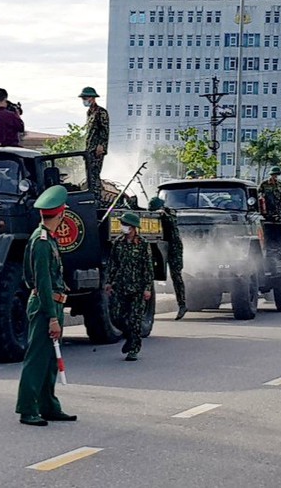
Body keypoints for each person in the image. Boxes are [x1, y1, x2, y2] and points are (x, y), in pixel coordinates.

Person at [15, 185, 77, 427]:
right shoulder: (41, 242)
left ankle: (49, 406)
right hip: (45, 306)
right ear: (61, 215)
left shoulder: (46, 238)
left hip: (52, 304)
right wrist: (51, 316)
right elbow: (41, 282)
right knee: (37, 358)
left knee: (51, 359)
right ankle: (28, 408)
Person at [104, 212, 154, 361]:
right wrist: (109, 282)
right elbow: (113, 264)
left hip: (137, 288)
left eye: (125, 224)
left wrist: (147, 288)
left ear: (133, 228)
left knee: (135, 319)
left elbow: (148, 268)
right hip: (121, 286)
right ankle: (130, 337)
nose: (123, 227)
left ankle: (133, 349)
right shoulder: (118, 243)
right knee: (116, 316)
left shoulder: (143, 244)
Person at [148, 197, 186, 320]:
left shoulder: (170, 213)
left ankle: (182, 304)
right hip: (161, 247)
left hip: (174, 249)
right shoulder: (156, 214)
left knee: (176, 276)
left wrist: (163, 214)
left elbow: (171, 221)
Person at [80, 87, 109, 199]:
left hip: (97, 149)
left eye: (85, 98)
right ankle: (92, 194)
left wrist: (101, 146)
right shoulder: (89, 112)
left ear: (92, 98)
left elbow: (105, 130)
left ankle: (96, 197)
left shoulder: (101, 112)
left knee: (94, 174)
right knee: (89, 173)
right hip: (89, 149)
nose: (84, 100)